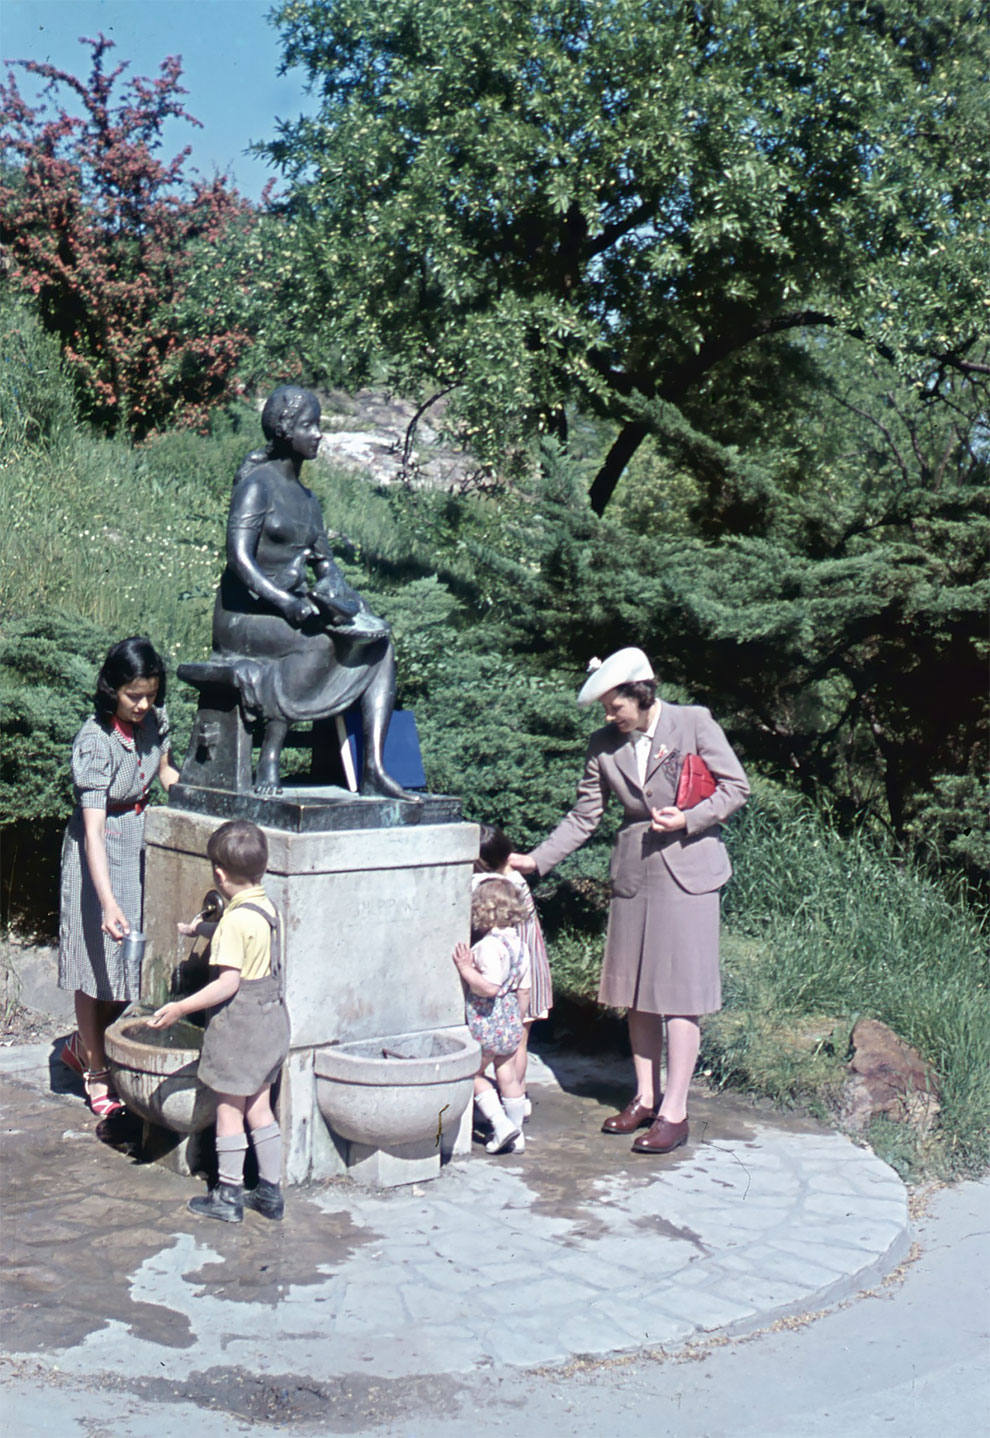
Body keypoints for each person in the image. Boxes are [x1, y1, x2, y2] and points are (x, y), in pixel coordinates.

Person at [511, 647, 749, 1155]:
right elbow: (584, 817)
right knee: (638, 994)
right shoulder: (603, 744)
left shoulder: (694, 723)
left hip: (689, 873)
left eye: (613, 704)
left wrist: (689, 819)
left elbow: (735, 787)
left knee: (682, 998)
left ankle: (675, 1113)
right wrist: (536, 860)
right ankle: (644, 1097)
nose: (607, 714)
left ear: (640, 693)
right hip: (635, 877)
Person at [213, 384, 410, 799]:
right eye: (310, 426)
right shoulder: (257, 486)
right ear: (286, 431)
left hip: (291, 612)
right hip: (244, 617)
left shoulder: (309, 501)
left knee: (380, 643)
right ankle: (270, 753)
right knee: (319, 644)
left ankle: (373, 767)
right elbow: (238, 560)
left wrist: (345, 600)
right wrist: (284, 601)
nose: (318, 434)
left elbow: (325, 564)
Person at [146, 819, 290, 1223]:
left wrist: (180, 1007)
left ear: (219, 874)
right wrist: (199, 928)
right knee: (260, 1108)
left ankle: (228, 1195)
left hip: (241, 1027)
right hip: (272, 1023)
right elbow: (242, 934)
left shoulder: (233, 922)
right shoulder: (265, 906)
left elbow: (228, 983)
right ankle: (270, 1193)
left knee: (229, 1109)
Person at [59, 637, 179, 1118]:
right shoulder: (94, 742)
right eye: (134, 695)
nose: (143, 704)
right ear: (113, 689)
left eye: (149, 693)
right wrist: (107, 903)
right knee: (95, 966)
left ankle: (81, 1045)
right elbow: (93, 832)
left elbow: (166, 774)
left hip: (139, 840)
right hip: (97, 852)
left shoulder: (155, 721)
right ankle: (96, 1071)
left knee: (130, 967)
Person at [473, 824, 552, 1115]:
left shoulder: (494, 890)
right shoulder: (514, 878)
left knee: (512, 1042)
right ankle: (517, 1098)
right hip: (528, 965)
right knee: (519, 1038)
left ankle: (507, 1101)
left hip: (511, 973)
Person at [453, 879, 531, 1155]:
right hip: (511, 1020)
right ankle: (518, 1134)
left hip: (487, 1022)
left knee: (472, 1073)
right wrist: (517, 1021)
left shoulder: (488, 946)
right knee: (508, 1076)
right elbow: (524, 990)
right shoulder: (521, 945)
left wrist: (466, 969)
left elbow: (489, 987)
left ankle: (500, 1124)